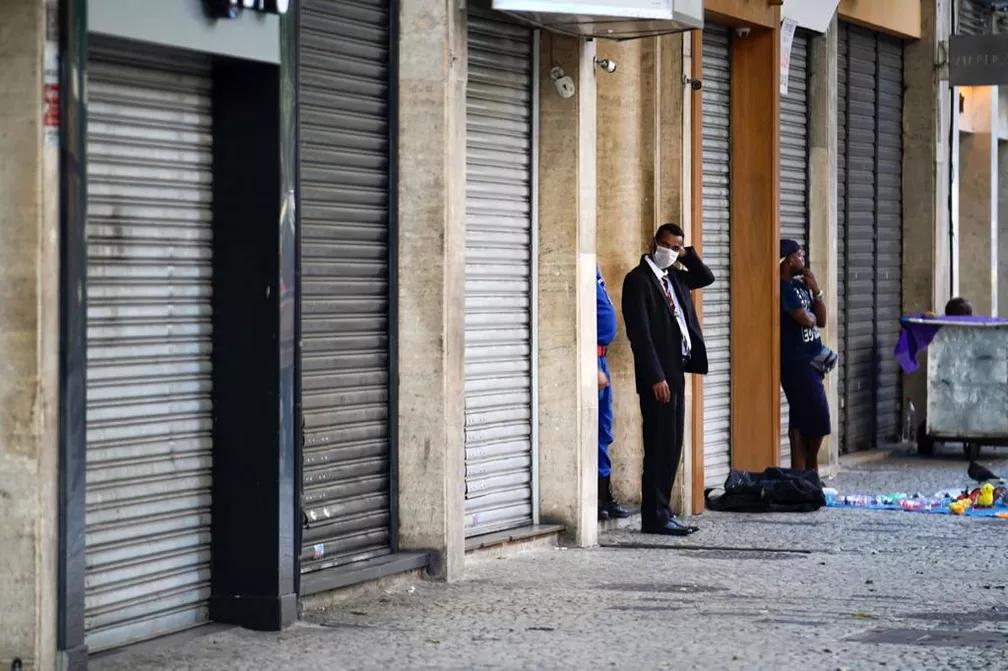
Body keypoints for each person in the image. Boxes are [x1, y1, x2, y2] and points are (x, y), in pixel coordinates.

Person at [621, 223, 714, 536]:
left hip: (677, 370)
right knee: (659, 444)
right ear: (653, 243)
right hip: (658, 375)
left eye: (676, 248)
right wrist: (655, 376)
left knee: (672, 444)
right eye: (667, 245)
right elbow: (641, 335)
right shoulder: (638, 280)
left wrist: (688, 255)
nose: (670, 252)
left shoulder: (675, 276)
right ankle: (654, 516)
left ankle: (663, 511)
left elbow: (706, 277)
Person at [779, 239, 830, 473]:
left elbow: (820, 320)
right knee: (819, 417)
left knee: (801, 419)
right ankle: (810, 466)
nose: (803, 258)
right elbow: (803, 318)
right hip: (796, 363)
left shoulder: (801, 287)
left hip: (813, 360)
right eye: (800, 254)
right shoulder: (784, 288)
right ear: (789, 259)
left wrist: (816, 290)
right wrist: (807, 313)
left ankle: (801, 473)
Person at [597, 266, 630, 521]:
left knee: (604, 430)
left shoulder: (594, 268)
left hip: (601, 359)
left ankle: (605, 496)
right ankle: (600, 499)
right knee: (596, 431)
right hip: (593, 359)